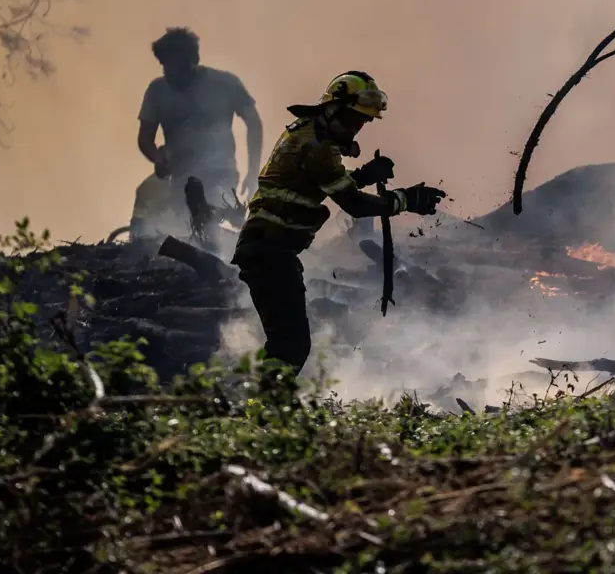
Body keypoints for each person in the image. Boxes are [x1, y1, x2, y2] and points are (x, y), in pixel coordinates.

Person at [231, 70, 446, 374]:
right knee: (289, 346)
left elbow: (315, 185)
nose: (354, 129)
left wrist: (362, 176)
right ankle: (266, 413)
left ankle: (267, 411)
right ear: (331, 109)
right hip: (269, 251)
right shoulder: (317, 145)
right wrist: (405, 200)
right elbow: (354, 205)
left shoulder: (305, 134)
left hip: (269, 249)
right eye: (350, 120)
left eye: (361, 123)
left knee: (288, 344)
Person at [136, 27, 263, 222]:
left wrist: (253, 172)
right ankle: (138, 247)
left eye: (176, 67)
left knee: (206, 215)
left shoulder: (224, 84)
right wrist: (157, 158)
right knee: (145, 195)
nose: (171, 74)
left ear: (192, 61)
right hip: (178, 177)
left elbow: (253, 124)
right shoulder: (157, 90)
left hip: (220, 173)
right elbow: (145, 137)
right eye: (165, 66)